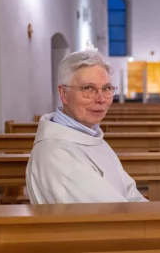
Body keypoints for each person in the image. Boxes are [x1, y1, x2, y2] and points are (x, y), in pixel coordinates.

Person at [26, 48, 147, 204]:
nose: (100, 99)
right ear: (64, 94)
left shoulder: (90, 135)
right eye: (88, 89)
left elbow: (129, 190)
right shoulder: (58, 155)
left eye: (106, 89)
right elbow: (109, 215)